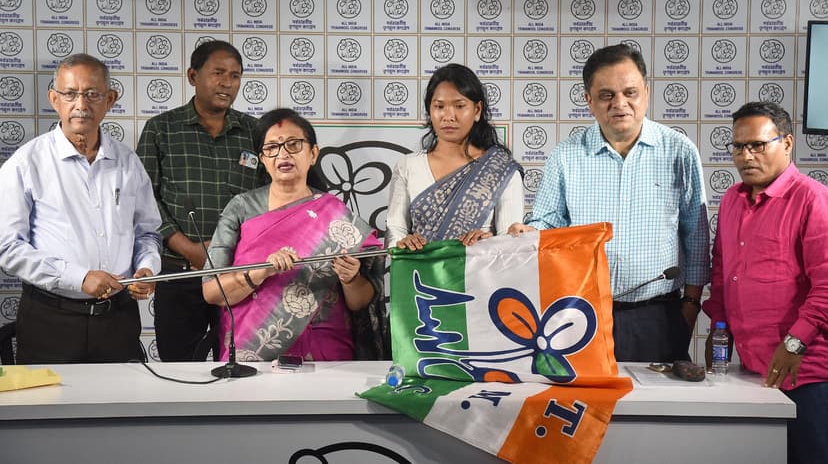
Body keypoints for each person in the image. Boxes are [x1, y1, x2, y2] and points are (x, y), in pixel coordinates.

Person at [509, 44, 710, 362]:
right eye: (606, 95)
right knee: (583, 396)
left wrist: (691, 306)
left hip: (658, 315)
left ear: (646, 92)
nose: (620, 104)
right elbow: (547, 223)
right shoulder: (566, 155)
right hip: (580, 313)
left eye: (630, 92)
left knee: (657, 397)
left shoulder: (679, 151)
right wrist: (529, 232)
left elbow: (696, 235)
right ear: (589, 101)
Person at [0, 54, 161, 364]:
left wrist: (147, 267)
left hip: (118, 318)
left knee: (122, 395)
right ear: (54, 99)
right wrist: (78, 278)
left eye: (92, 94)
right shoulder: (27, 163)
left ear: (110, 100)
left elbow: (148, 233)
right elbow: (7, 247)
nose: (81, 104)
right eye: (70, 94)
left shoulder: (128, 162)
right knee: (48, 396)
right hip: (50, 319)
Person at [202, 108, 388, 362]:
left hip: (326, 351)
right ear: (263, 159)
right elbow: (212, 292)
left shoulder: (334, 212)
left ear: (313, 154)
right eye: (272, 147)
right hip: (253, 351)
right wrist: (261, 271)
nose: (283, 154)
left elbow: (360, 301)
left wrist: (350, 278)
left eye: (293, 144)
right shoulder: (241, 207)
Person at [703, 101, 828, 464]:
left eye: (757, 145)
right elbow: (722, 274)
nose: (746, 156)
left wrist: (794, 342)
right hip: (751, 371)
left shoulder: (812, 199)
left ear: (787, 143)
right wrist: (718, 330)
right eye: (738, 147)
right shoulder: (731, 200)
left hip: (807, 374)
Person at [137, 40, 269, 362]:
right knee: (180, 369)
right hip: (180, 274)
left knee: (244, 365)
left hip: (238, 276)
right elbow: (144, 200)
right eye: (218, 73)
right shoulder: (161, 130)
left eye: (235, 76)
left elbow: (270, 198)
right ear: (192, 76)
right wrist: (188, 248)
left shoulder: (254, 132)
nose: (227, 83)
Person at [384, 63, 524, 250]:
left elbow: (512, 243)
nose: (448, 116)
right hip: (419, 268)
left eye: (459, 106)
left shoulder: (500, 169)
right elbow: (395, 231)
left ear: (477, 110)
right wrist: (403, 245)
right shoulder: (408, 166)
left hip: (478, 268)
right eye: (439, 106)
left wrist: (488, 242)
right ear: (429, 111)